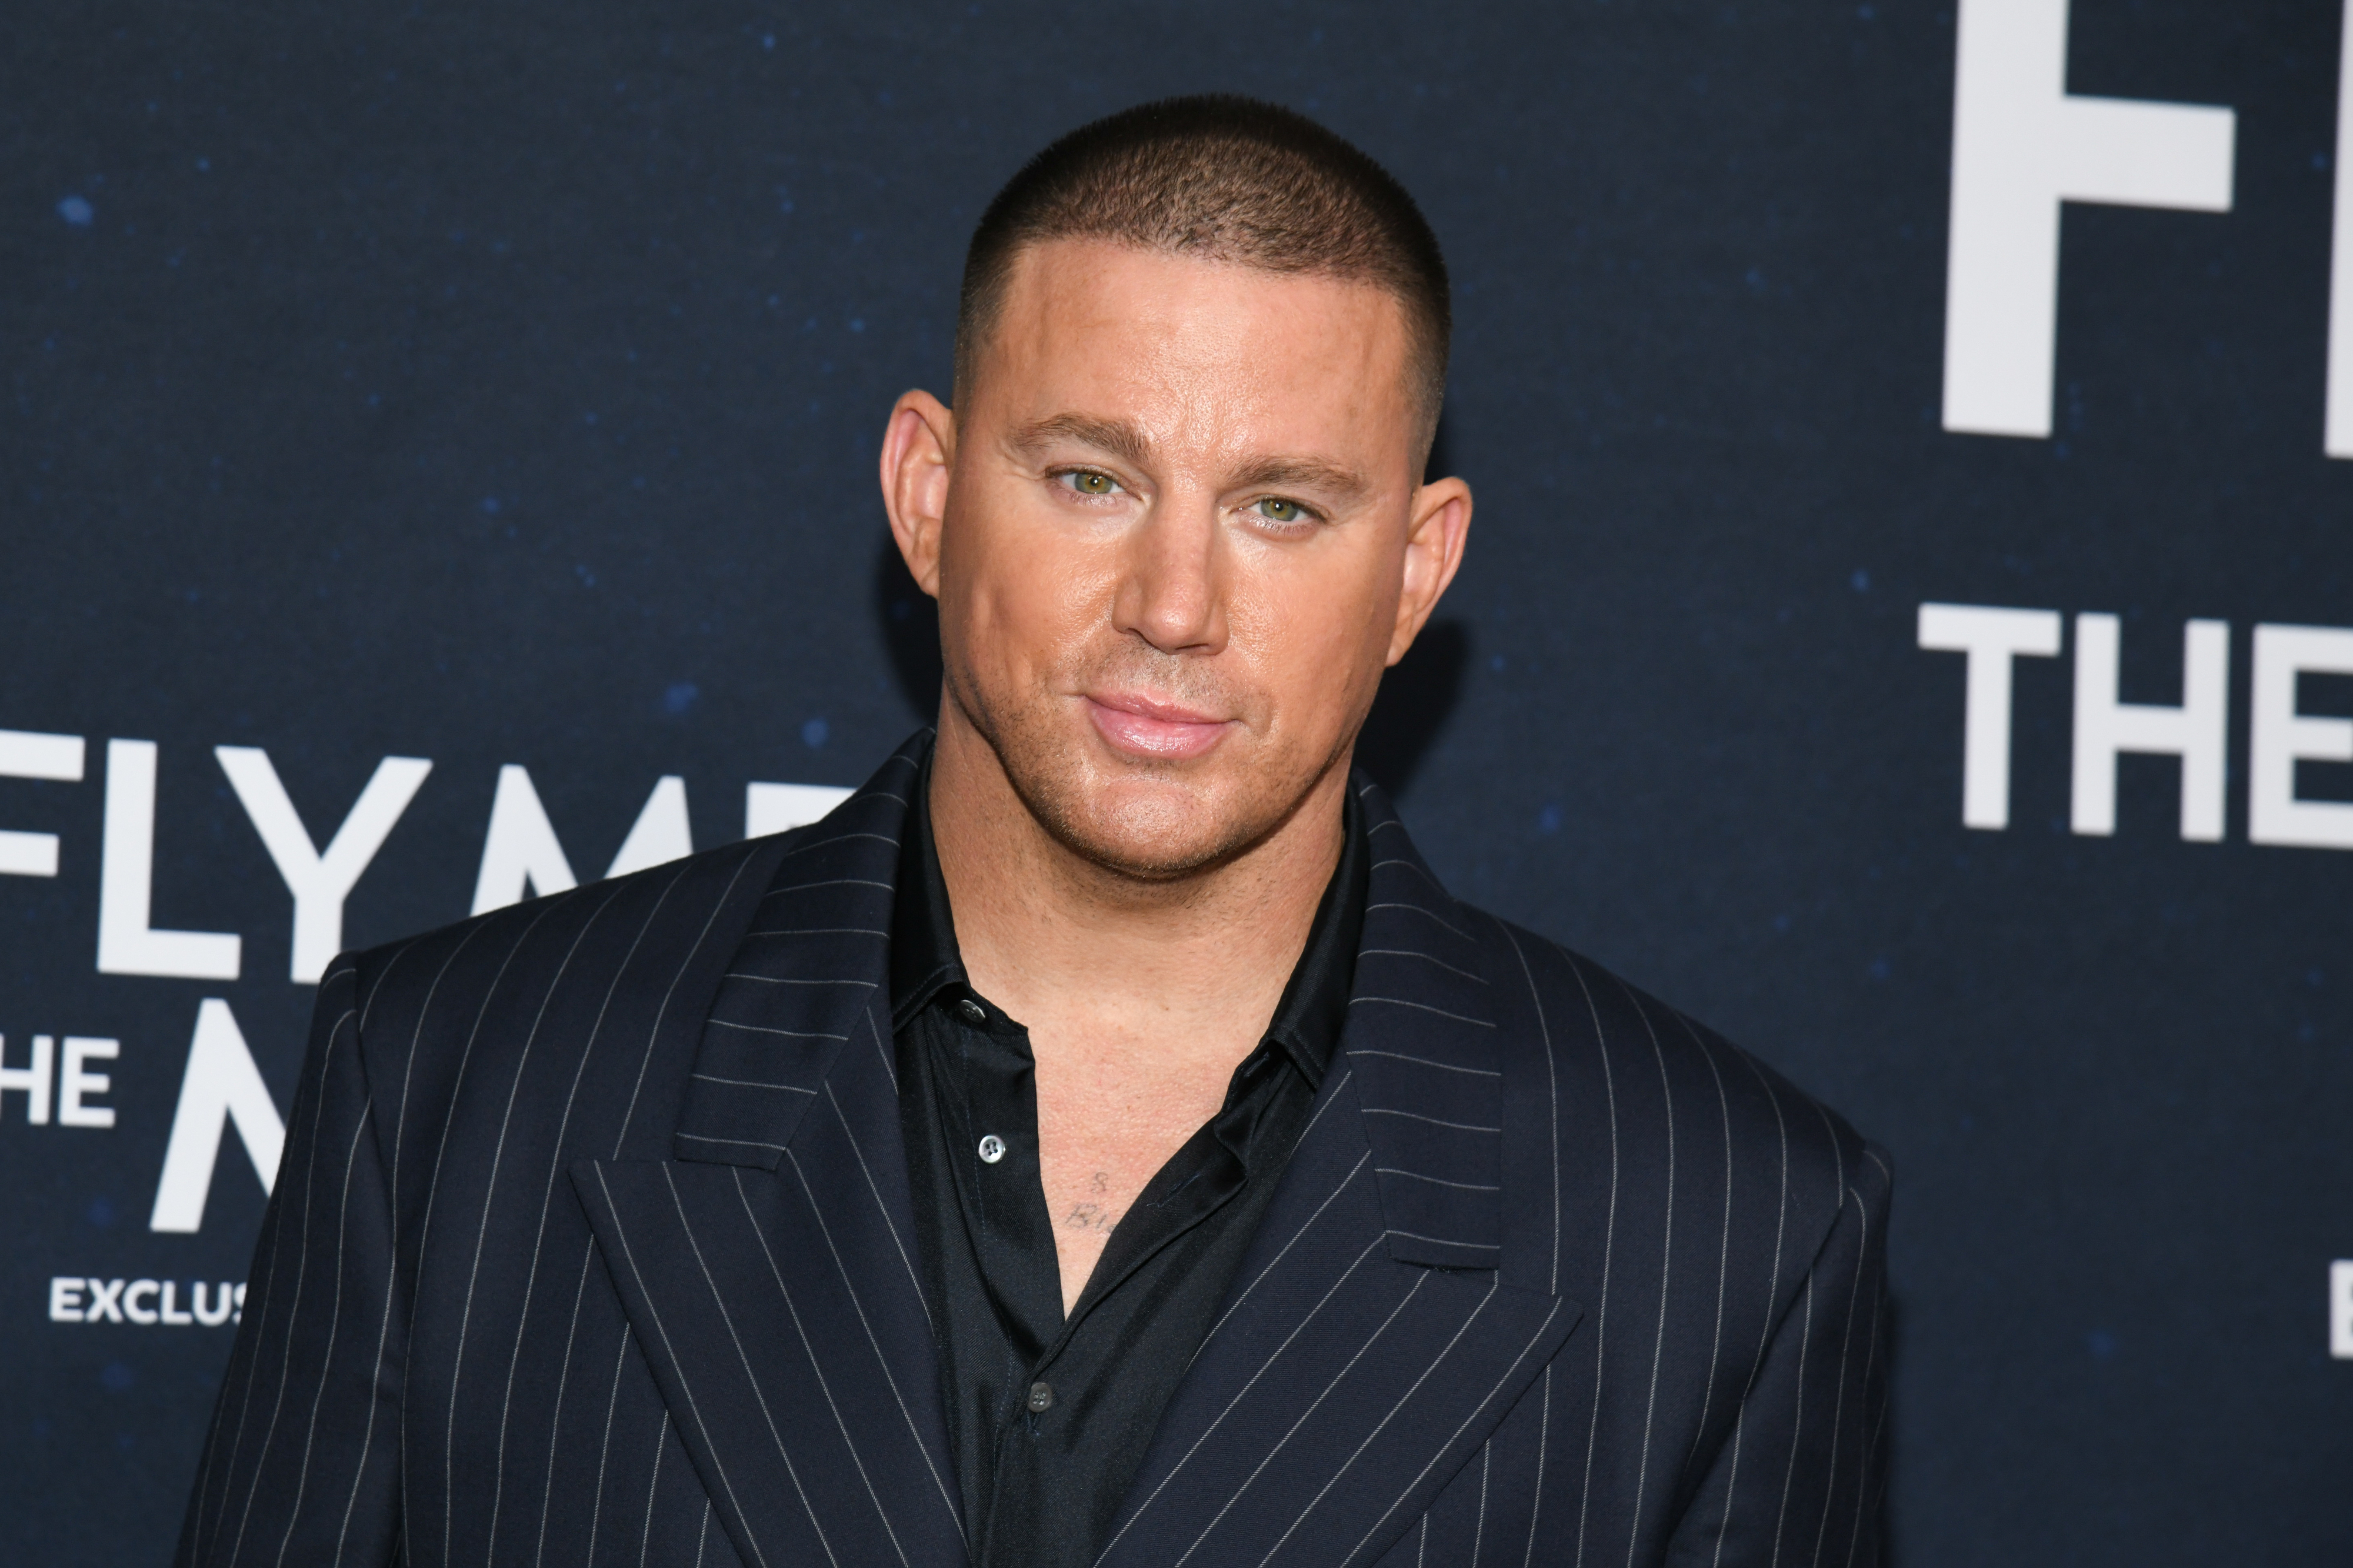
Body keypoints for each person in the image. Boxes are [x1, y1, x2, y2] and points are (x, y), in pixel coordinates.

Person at [175, 95, 1889, 1568]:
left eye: (1283, 508)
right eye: (1091, 477)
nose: (1176, 603)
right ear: (928, 496)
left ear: (1417, 573)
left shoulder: (1726, 1233)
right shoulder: (461, 1087)